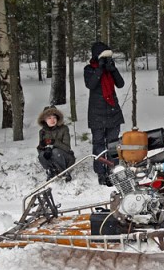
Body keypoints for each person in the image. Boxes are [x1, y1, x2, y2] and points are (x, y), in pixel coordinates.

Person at [84, 41, 125, 186]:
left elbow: (120, 84)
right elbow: (90, 85)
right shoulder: (89, 69)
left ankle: (113, 170)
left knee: (113, 144)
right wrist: (99, 69)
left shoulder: (110, 69)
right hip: (96, 113)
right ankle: (101, 173)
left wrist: (112, 69)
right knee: (99, 144)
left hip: (113, 111)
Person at [37, 106, 75, 182]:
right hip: (52, 159)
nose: (52, 120)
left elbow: (67, 148)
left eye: (54, 117)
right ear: (44, 120)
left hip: (66, 158)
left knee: (55, 152)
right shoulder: (42, 132)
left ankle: (65, 172)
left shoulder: (64, 129)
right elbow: (40, 150)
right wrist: (42, 147)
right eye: (49, 118)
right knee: (41, 155)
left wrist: (54, 142)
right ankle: (50, 171)